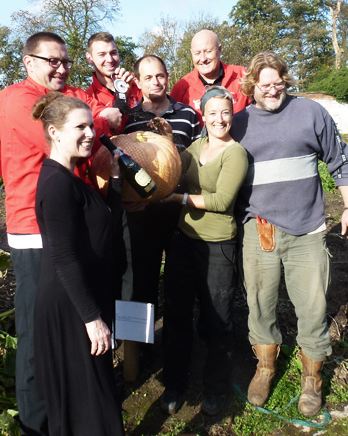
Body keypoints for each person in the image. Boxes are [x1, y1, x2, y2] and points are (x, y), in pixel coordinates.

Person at [0, 32, 111, 435]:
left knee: (67, 322)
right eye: (52, 60)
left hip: (62, 222)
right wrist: (103, 121)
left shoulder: (58, 95)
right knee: (37, 330)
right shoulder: (22, 102)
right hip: (36, 231)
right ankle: (36, 420)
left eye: (67, 61)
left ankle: (67, 407)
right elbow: (11, 145)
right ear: (28, 62)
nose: (62, 68)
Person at [230, 51, 348, 417]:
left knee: (313, 307)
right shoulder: (238, 124)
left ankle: (312, 379)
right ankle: (266, 367)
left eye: (277, 84)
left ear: (285, 80)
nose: (272, 91)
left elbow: (340, 159)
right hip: (261, 230)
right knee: (260, 305)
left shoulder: (310, 113)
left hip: (307, 229)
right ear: (251, 86)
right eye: (264, 85)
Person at [32, 92, 124, 436]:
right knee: (89, 404)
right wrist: (92, 318)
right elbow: (62, 256)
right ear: (54, 132)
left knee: (92, 397)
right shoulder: (56, 184)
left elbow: (106, 224)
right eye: (80, 127)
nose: (90, 133)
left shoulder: (71, 177)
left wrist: (115, 181)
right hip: (70, 308)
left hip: (83, 301)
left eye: (91, 125)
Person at [158, 86, 248, 416]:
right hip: (184, 239)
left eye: (225, 112)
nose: (219, 119)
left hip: (217, 245)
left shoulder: (234, 153)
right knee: (178, 312)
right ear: (203, 115)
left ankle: (216, 388)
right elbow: (171, 168)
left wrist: (178, 199)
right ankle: (174, 382)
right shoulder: (196, 146)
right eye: (213, 113)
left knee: (218, 319)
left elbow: (222, 202)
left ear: (232, 113)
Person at [120, 55, 200, 309]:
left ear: (167, 77)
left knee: (180, 282)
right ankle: (141, 347)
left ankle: (177, 345)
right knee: (141, 281)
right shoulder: (129, 120)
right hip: (142, 213)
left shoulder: (188, 115)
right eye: (148, 78)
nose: (156, 82)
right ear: (137, 82)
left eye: (160, 76)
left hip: (181, 212)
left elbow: (198, 159)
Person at [170, 30, 251, 122]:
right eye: (197, 53)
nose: (203, 58)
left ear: (219, 50)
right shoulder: (182, 87)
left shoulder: (243, 77)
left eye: (208, 51)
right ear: (192, 53)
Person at [85, 32, 141, 131]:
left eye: (113, 53)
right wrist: (123, 97)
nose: (110, 59)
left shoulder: (137, 83)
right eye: (102, 55)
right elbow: (104, 132)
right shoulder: (89, 98)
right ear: (90, 58)